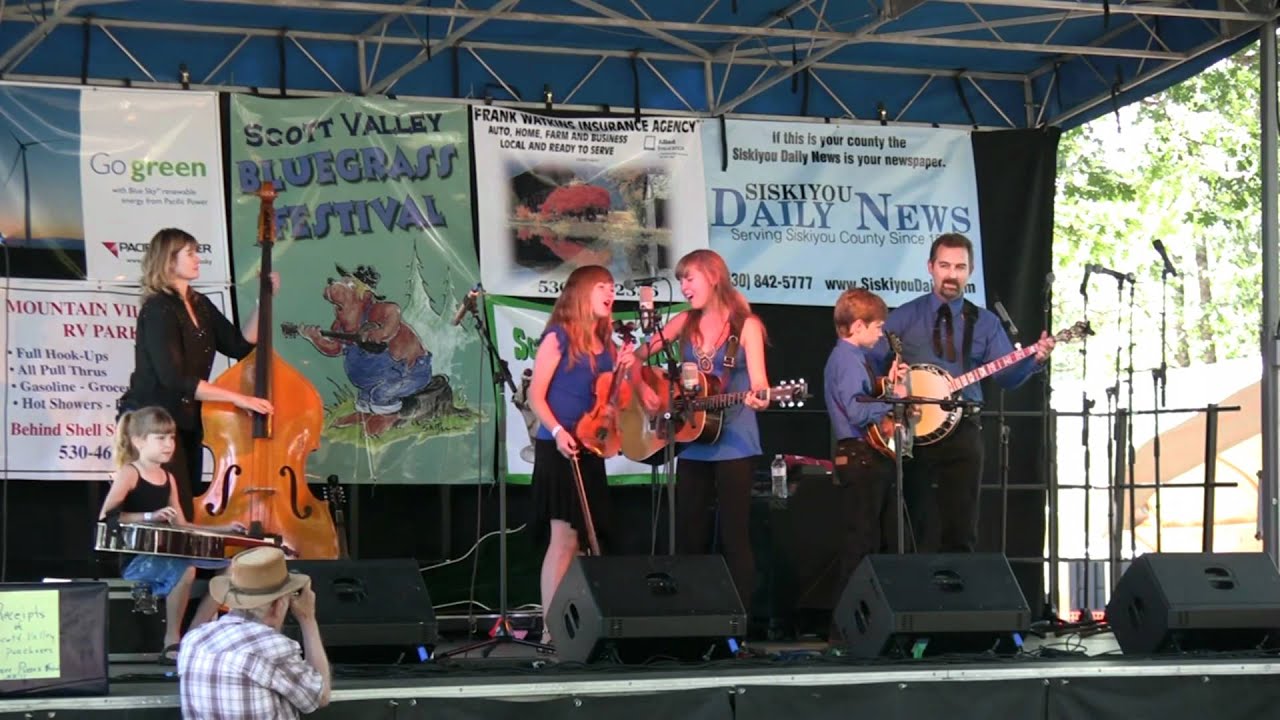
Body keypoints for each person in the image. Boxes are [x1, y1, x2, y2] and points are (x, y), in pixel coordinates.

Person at [872, 233, 1055, 553]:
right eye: (944, 265)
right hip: (912, 430)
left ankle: (955, 583)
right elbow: (871, 363)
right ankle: (906, 581)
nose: (951, 274)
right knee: (909, 522)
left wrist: (1034, 360)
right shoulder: (903, 316)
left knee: (961, 525)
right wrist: (889, 388)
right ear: (930, 267)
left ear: (970, 271)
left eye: (959, 267)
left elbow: (1006, 378)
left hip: (964, 428)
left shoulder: (985, 322)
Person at [636, 249, 770, 612]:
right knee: (688, 534)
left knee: (734, 535)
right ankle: (687, 613)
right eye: (680, 280)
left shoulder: (746, 326)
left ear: (713, 277)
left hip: (736, 443)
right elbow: (636, 357)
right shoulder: (683, 321)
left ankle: (738, 619)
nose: (683, 286)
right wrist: (646, 390)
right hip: (693, 439)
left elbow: (759, 381)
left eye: (689, 278)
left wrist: (760, 397)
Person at [118, 228, 276, 520]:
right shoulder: (158, 308)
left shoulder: (199, 303)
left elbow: (239, 346)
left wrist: (262, 301)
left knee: (185, 506)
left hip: (187, 419)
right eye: (189, 253)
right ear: (169, 260)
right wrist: (239, 399)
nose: (197, 258)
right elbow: (173, 379)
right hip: (153, 422)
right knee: (168, 507)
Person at [528, 264, 634, 645]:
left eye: (612, 287)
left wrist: (624, 371)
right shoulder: (558, 337)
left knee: (583, 540)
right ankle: (549, 630)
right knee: (562, 538)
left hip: (590, 447)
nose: (610, 292)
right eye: (602, 286)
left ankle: (574, 625)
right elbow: (535, 395)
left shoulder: (607, 345)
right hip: (559, 445)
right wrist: (558, 432)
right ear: (581, 292)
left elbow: (612, 401)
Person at [98, 406, 244, 663]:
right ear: (139, 441)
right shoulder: (130, 472)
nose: (169, 444)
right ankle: (172, 639)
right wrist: (149, 516)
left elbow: (182, 525)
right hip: (138, 560)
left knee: (231, 568)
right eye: (160, 438)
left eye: (171, 438)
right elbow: (108, 517)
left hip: (167, 555)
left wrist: (223, 529)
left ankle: (195, 634)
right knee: (186, 569)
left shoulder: (168, 477)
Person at [823, 289, 909, 641]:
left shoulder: (855, 358)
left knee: (869, 540)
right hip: (860, 457)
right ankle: (845, 629)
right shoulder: (847, 360)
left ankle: (860, 626)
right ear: (858, 326)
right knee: (860, 543)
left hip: (866, 456)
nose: (880, 334)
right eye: (877, 328)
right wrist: (894, 400)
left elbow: (862, 397)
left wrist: (886, 386)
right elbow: (858, 411)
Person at [179, 546, 331, 719]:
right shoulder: (273, 648)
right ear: (279, 604)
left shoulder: (193, 641)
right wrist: (307, 619)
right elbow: (320, 696)